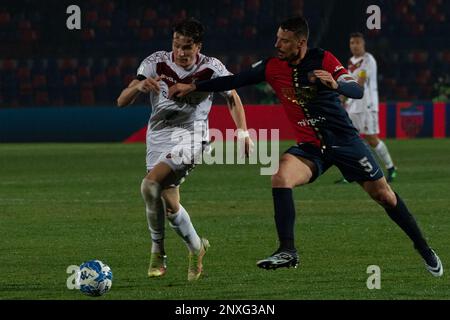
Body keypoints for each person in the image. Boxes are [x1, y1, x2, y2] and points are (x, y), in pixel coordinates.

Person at [169, 16, 443, 277]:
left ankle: (423, 247)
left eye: (284, 41)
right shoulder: (271, 66)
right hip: (311, 148)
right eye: (277, 39)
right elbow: (233, 80)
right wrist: (193, 86)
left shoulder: (322, 59)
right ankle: (288, 251)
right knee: (280, 177)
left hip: (345, 143)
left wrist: (335, 84)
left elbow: (355, 89)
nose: (277, 45)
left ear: (300, 43)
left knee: (385, 196)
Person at [117, 18, 253, 281]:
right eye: (177, 45)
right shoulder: (155, 62)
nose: (181, 52)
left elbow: (233, 97)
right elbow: (121, 101)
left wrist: (244, 132)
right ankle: (197, 247)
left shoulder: (212, 68)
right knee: (170, 206)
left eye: (187, 47)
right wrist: (138, 86)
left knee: (149, 185)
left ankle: (158, 250)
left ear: (198, 46)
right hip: (158, 136)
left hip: (192, 137)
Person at [335, 32, 397, 184]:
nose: (354, 46)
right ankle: (350, 173)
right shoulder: (351, 61)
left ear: (363, 44)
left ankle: (391, 168)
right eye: (352, 43)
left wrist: (345, 94)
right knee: (347, 138)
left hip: (367, 105)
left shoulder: (368, 60)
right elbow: (349, 82)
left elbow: (360, 82)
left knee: (371, 139)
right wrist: (341, 99)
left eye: (357, 43)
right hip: (352, 106)